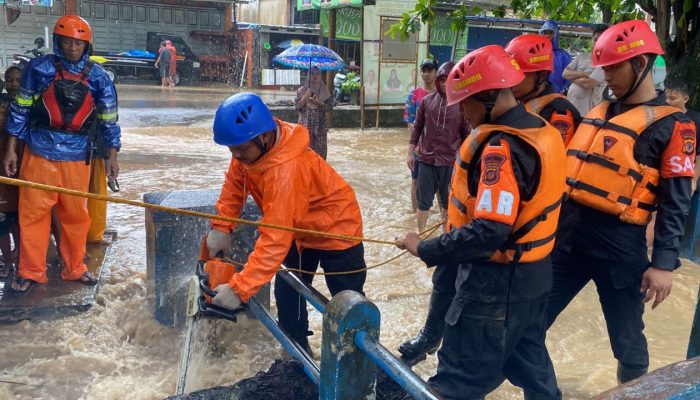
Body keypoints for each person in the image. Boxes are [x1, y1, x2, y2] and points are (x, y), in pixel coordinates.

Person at [397, 45, 565, 399]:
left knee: (454, 383)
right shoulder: (541, 130)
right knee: (535, 377)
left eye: (466, 102)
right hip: (533, 280)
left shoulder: (500, 150)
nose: (461, 112)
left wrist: (422, 247)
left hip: (494, 287)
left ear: (488, 96)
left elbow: (489, 231)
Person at [546, 20, 697, 384]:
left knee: (628, 344)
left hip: (620, 247)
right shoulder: (598, 112)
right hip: (568, 239)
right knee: (527, 320)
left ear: (641, 63)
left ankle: (630, 393)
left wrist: (662, 264)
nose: (606, 75)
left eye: (614, 66)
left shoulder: (674, 126)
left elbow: (677, 202)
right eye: (604, 66)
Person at [205, 92, 366, 354]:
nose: (236, 156)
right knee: (288, 293)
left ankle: (356, 362)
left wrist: (239, 289)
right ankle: (297, 355)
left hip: (337, 229)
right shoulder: (249, 150)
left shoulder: (286, 170)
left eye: (240, 149)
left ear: (264, 137)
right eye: (231, 150)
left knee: (347, 302)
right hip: (299, 229)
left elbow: (274, 238)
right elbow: (236, 184)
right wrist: (222, 226)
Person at [3, 15, 121, 292]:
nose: (72, 48)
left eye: (78, 43)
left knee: (75, 215)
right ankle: (31, 271)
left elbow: (109, 120)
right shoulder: (38, 68)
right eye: (67, 42)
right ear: (58, 42)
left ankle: (75, 268)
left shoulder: (99, 77)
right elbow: (20, 110)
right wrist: (11, 149)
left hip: (78, 155)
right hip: (38, 151)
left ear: (87, 45)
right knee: (32, 214)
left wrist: (112, 156)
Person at [408, 61, 469, 233]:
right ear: (438, 81)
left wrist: (467, 163)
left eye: (447, 80)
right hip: (427, 159)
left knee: (447, 202)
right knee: (423, 201)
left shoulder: (462, 105)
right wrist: (410, 153)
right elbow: (417, 129)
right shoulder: (427, 102)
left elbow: (467, 136)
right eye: (441, 80)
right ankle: (420, 234)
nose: (444, 83)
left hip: (450, 162)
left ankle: (445, 234)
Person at [506, 34, 582, 145]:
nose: (512, 81)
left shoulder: (560, 112)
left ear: (542, 76)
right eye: (510, 74)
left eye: (521, 74)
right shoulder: (517, 103)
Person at [404, 59, 438, 214]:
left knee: (440, 181)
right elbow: (409, 121)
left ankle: (441, 215)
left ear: (436, 72)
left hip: (440, 146)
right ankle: (414, 213)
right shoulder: (414, 95)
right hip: (419, 147)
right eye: (423, 71)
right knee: (415, 180)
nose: (426, 74)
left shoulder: (442, 95)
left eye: (430, 71)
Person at [563, 25, 608, 115]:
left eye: (601, 40)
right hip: (571, 107)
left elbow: (588, 83)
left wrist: (572, 77)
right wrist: (584, 74)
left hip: (589, 113)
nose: (597, 43)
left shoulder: (606, 62)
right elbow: (564, 73)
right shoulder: (581, 57)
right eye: (595, 39)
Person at [0, 94, 22, 279]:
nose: (1, 119)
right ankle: (8, 261)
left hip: (16, 191)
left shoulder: (17, 141)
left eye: (5, 115)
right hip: (2, 194)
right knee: (2, 229)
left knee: (17, 225)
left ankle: (19, 256)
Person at [294, 66, 332, 159]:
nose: (315, 76)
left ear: (320, 76)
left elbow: (329, 108)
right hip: (305, 128)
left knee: (320, 158)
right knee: (305, 157)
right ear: (308, 76)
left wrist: (319, 103)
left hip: (320, 128)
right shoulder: (301, 91)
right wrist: (305, 97)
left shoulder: (325, 92)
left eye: (317, 74)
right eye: (312, 74)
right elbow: (297, 108)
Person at [539, 20, 572, 93]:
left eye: (550, 33)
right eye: (545, 32)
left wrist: (562, 90)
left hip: (557, 94)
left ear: (555, 34)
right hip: (538, 93)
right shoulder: (537, 53)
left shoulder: (563, 56)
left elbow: (569, 76)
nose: (547, 36)